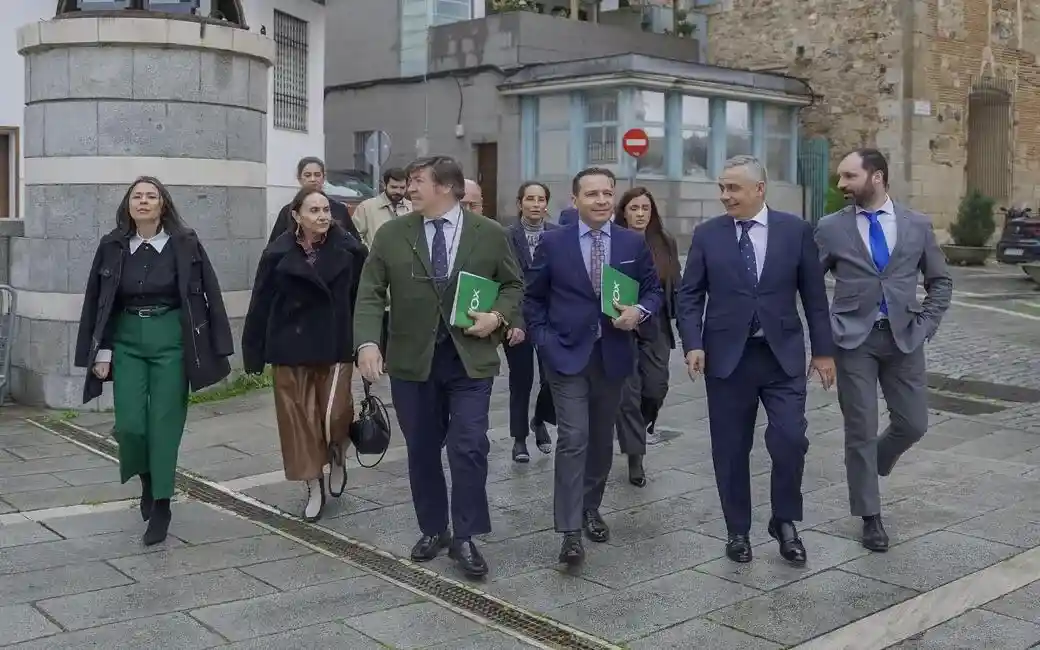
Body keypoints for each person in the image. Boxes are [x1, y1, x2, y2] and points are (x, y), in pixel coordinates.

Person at [353, 156, 523, 579]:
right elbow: (370, 292)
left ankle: (465, 535)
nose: (408, 189)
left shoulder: (490, 234)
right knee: (423, 450)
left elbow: (514, 285)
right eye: (409, 182)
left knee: (468, 446)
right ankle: (434, 528)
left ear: (445, 187)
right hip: (413, 362)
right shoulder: (393, 234)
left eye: (417, 182)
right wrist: (369, 342)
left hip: (469, 360)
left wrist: (498, 318)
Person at [676, 155, 834, 566]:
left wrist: (823, 351)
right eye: (722, 188)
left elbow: (815, 298)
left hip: (781, 358)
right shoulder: (708, 235)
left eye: (734, 188)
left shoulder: (795, 232)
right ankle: (737, 530)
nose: (725, 196)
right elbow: (689, 295)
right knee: (730, 449)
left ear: (759, 189)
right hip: (728, 361)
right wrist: (692, 342)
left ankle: (784, 520)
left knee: (790, 441)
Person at [74, 176, 234, 546]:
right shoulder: (113, 245)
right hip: (128, 340)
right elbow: (99, 301)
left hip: (172, 341)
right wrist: (101, 351)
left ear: (163, 204)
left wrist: (217, 345)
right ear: (128, 205)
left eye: (152, 196)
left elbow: (209, 291)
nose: (144, 201)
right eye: (137, 196)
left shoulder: (185, 243)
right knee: (130, 424)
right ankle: (147, 478)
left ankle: (161, 502)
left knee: (164, 424)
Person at [523, 167, 663, 566]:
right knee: (574, 437)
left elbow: (653, 292)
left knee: (601, 440)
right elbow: (532, 298)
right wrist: (544, 340)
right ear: (575, 200)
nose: (601, 200)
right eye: (592, 194)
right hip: (565, 356)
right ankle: (568, 531)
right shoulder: (553, 243)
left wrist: (639, 311)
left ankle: (589, 507)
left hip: (613, 356)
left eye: (607, 193)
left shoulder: (631, 243)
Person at [815, 148, 952, 552]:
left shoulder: (916, 225)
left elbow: (941, 282)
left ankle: (870, 464)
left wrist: (925, 325)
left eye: (848, 176)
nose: (841, 185)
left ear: (876, 177)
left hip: (904, 339)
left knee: (913, 424)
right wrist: (822, 337)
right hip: (852, 341)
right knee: (859, 428)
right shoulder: (830, 227)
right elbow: (807, 284)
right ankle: (870, 517)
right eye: (840, 177)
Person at [242, 187, 368, 522]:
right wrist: (253, 352)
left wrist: (370, 341)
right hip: (290, 346)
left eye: (326, 209)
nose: (323, 216)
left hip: (335, 343)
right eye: (314, 210)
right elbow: (261, 303)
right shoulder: (277, 254)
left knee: (335, 413)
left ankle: (338, 453)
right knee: (299, 424)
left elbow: (366, 300)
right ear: (296, 215)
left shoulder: (351, 251)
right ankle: (314, 486)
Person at [612, 187, 681, 486]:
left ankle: (642, 427)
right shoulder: (611, 241)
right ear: (624, 212)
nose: (640, 214)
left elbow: (675, 283)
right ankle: (635, 457)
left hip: (655, 327)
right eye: (634, 208)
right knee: (628, 395)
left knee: (655, 388)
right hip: (619, 328)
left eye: (645, 208)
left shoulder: (664, 242)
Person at [504, 181, 557, 463]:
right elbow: (501, 279)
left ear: (546, 204)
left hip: (550, 319)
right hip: (517, 319)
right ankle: (519, 439)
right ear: (520, 203)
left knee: (552, 377)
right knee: (521, 380)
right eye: (530, 199)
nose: (535, 204)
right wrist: (513, 320)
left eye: (541, 199)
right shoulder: (506, 236)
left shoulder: (559, 234)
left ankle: (540, 419)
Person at [268, 156, 363, 245]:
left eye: (317, 175)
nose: (313, 179)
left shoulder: (339, 209)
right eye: (307, 175)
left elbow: (355, 244)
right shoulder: (288, 211)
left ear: (323, 178)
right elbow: (273, 248)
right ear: (299, 178)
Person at [352, 167, 412, 248]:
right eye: (394, 187)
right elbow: (354, 237)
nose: (398, 191)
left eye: (402, 188)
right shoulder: (366, 207)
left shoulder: (412, 208)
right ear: (384, 185)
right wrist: (368, 255)